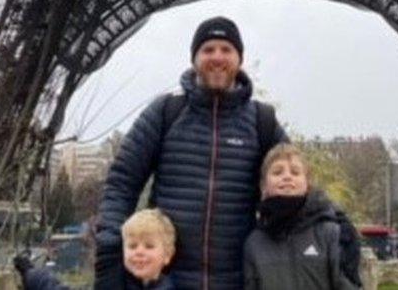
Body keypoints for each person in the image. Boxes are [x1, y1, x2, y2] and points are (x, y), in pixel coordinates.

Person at [94, 16, 288, 289]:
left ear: (239, 59)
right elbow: (123, 182)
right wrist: (112, 245)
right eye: (208, 50)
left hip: (238, 281)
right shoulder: (164, 113)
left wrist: (334, 231)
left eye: (226, 49)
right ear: (194, 59)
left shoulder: (262, 122)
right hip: (167, 282)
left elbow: (298, 188)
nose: (217, 57)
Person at [243, 143, 360, 289]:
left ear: (307, 184)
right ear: (263, 186)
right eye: (277, 172)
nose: (287, 177)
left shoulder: (331, 233)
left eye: (295, 172)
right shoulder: (254, 243)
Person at [122, 209, 177, 289]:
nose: (139, 252)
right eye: (132, 246)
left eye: (149, 246)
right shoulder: (118, 281)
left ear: (167, 255)